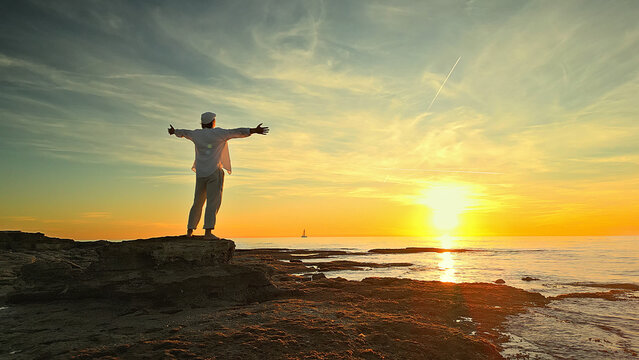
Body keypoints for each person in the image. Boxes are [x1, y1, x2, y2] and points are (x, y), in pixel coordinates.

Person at [168, 111, 269, 239]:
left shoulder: (196, 134)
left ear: (202, 123)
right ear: (213, 122)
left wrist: (173, 131)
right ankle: (208, 232)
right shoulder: (218, 133)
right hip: (214, 172)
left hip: (200, 173)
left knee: (197, 202)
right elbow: (237, 131)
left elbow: (183, 132)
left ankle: (189, 231)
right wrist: (254, 130)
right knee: (213, 202)